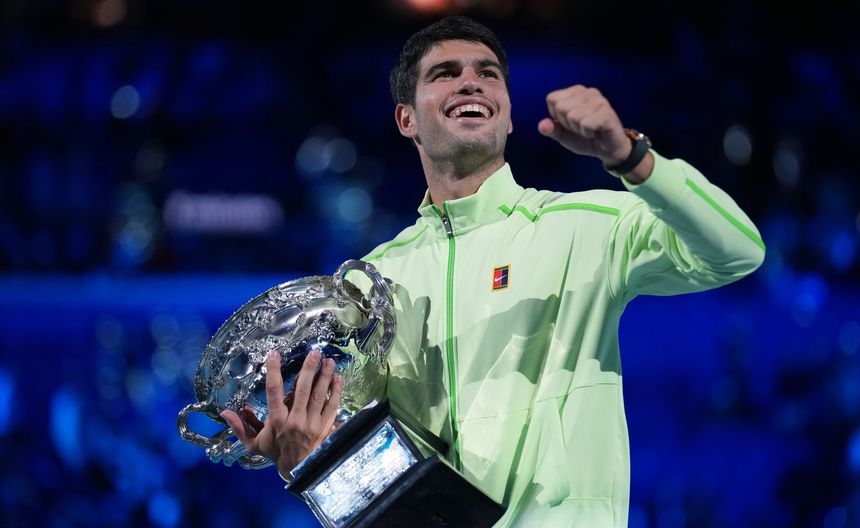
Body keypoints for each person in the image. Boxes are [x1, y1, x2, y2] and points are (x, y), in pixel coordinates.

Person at [222, 16, 765, 527]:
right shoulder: (374, 282)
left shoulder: (584, 226)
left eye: (488, 74)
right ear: (406, 117)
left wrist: (630, 157)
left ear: (506, 113)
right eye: (445, 73)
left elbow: (737, 251)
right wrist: (305, 462)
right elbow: (370, 480)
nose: (471, 83)